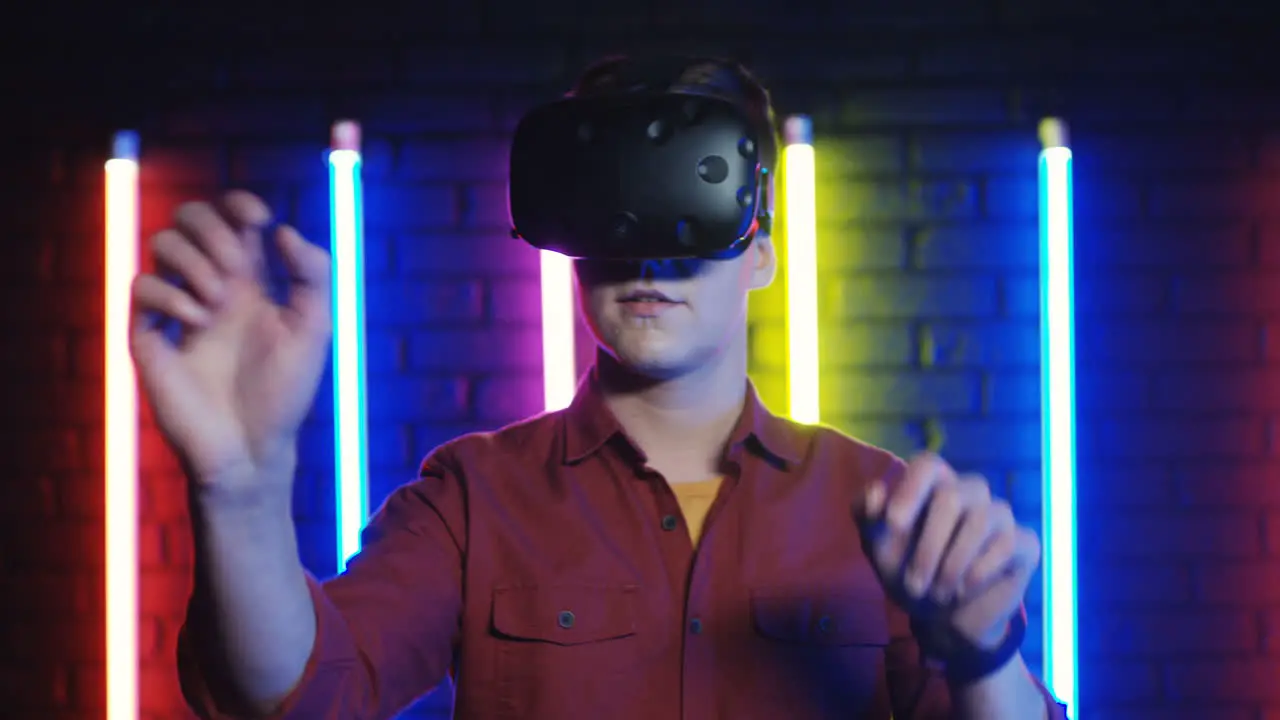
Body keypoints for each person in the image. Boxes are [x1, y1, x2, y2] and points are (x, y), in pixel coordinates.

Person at [131, 55, 1068, 719]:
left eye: (689, 211)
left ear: (764, 254)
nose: (649, 253)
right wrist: (241, 490)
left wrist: (985, 655)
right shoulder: (474, 501)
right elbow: (295, 695)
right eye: (616, 214)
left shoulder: (883, 512)